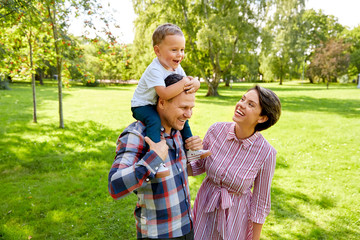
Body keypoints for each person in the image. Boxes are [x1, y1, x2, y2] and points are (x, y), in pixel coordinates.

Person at [108, 74, 205, 239]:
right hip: (158, 234)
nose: (189, 115)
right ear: (162, 102)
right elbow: (115, 185)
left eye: (191, 108)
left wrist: (195, 154)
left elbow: (179, 171)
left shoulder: (178, 131)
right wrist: (153, 158)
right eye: (183, 108)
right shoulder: (137, 134)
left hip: (187, 227)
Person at [188, 85, 282, 240]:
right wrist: (187, 153)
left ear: (262, 118)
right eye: (242, 99)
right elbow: (197, 166)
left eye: (250, 104)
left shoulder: (266, 153)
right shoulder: (216, 130)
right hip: (205, 209)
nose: (241, 105)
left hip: (236, 219)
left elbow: (260, 204)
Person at [131, 23, 210, 177]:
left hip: (156, 103)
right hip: (142, 106)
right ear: (157, 51)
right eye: (174, 50)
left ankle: (191, 151)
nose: (179, 54)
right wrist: (183, 83)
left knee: (184, 119)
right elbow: (165, 94)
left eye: (182, 50)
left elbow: (188, 83)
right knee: (154, 120)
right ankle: (156, 160)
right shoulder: (154, 69)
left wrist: (196, 83)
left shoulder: (176, 68)